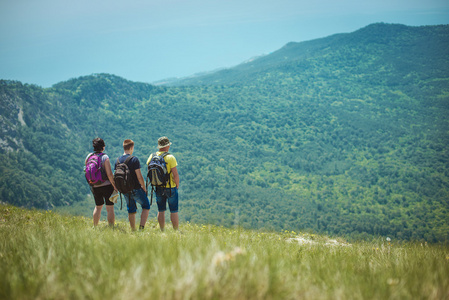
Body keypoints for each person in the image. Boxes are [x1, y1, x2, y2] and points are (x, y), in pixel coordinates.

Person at [115, 139, 150, 231]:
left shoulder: (117, 160)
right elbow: (139, 176)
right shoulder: (134, 159)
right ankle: (141, 229)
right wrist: (144, 187)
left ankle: (133, 230)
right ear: (131, 147)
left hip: (124, 189)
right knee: (146, 206)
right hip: (135, 188)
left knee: (131, 209)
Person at [146, 136, 180, 231]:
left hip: (158, 186)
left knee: (161, 210)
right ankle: (176, 230)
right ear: (167, 146)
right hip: (170, 187)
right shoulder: (170, 157)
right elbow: (175, 174)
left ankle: (162, 230)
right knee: (174, 211)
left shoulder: (152, 157)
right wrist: (177, 185)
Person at [85, 138, 117, 227]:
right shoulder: (104, 157)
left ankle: (95, 226)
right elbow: (109, 174)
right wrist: (114, 185)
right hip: (107, 186)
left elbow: (87, 170)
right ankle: (111, 226)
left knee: (98, 207)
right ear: (103, 147)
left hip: (95, 186)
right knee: (110, 208)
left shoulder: (89, 157)